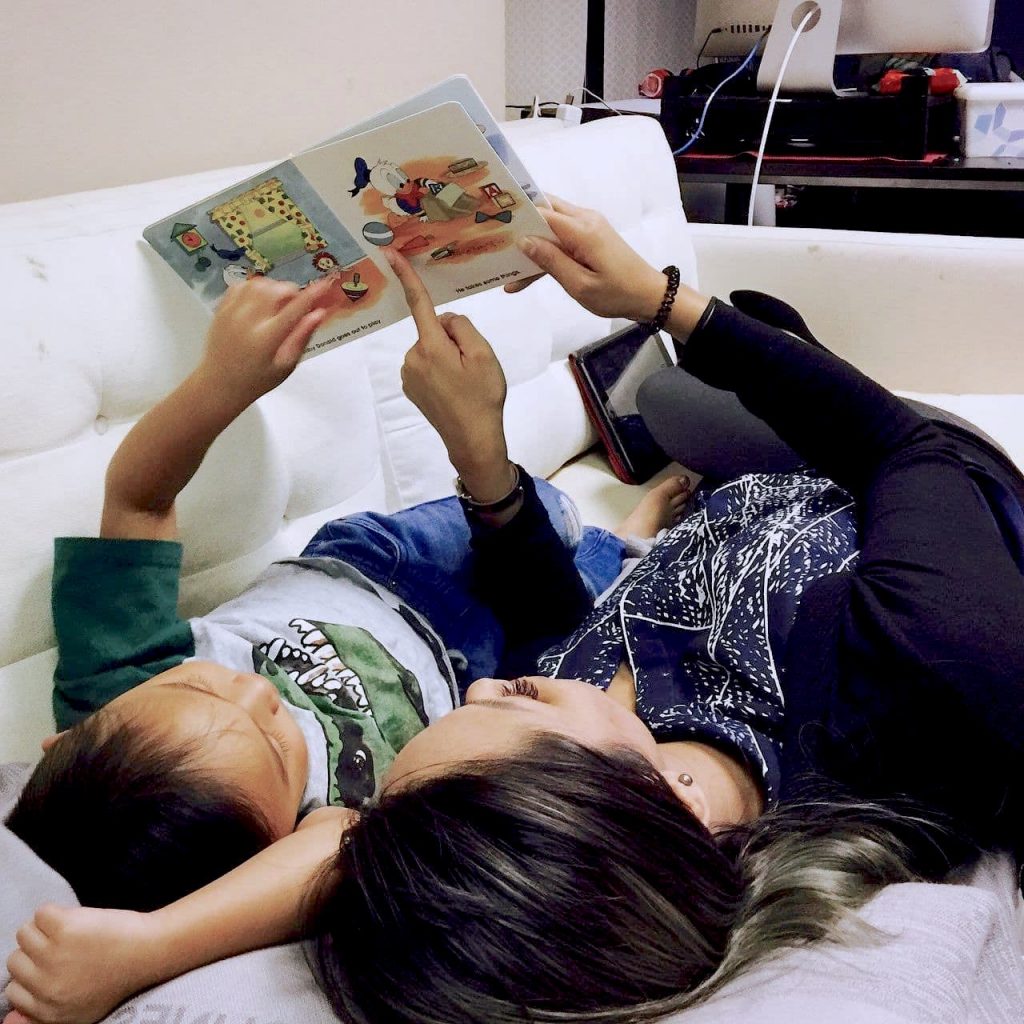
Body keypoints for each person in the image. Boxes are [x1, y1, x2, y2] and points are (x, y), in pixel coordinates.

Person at [8, 200, 1024, 1024]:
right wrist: (671, 305)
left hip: (747, 509)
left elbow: (548, 631)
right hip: (915, 482)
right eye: (518, 698)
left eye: (503, 691)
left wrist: (520, 434)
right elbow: (907, 451)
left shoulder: (573, 733)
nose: (486, 676)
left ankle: (744, 383)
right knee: (703, 389)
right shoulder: (921, 674)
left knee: (680, 399)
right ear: (659, 793)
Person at [1, 265, 690, 1023]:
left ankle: (604, 537)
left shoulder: (110, 685)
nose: (259, 691)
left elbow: (137, 498)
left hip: (384, 570)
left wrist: (224, 381)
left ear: (68, 734)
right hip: (480, 671)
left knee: (553, 514)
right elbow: (340, 843)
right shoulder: (310, 830)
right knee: (593, 608)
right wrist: (147, 945)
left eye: (199, 681)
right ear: (268, 845)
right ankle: (629, 538)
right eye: (275, 740)